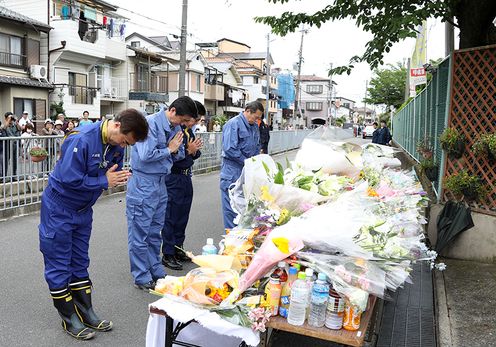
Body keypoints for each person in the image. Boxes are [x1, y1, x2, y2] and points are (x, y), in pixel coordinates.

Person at [39, 109, 148, 340]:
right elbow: (69, 178)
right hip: (60, 207)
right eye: (125, 141)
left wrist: (112, 180)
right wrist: (103, 180)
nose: (124, 147)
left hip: (83, 209)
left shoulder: (116, 147)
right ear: (117, 126)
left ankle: (86, 311)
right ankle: (69, 318)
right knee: (59, 260)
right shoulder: (82, 138)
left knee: (80, 259)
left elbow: (109, 175)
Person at [126, 96, 198, 291]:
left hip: (160, 182)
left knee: (154, 232)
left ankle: (155, 270)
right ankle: (141, 275)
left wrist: (174, 150)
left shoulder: (175, 127)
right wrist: (169, 149)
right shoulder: (149, 124)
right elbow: (145, 155)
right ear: (172, 111)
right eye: (183, 120)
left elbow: (180, 154)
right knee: (139, 233)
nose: (184, 125)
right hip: (143, 182)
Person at [161, 101, 205, 270]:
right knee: (171, 217)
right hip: (174, 177)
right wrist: (188, 151)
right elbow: (174, 158)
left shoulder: (188, 132)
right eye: (195, 119)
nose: (195, 122)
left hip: (186, 178)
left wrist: (191, 151)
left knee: (182, 217)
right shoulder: (177, 132)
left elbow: (197, 152)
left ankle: (178, 248)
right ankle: (168, 252)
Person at [220, 101, 263, 230]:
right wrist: (247, 162)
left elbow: (256, 146)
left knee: (246, 209)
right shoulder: (233, 124)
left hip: (247, 171)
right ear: (248, 111)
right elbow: (229, 149)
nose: (257, 120)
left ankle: (243, 241)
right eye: (255, 117)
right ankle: (231, 242)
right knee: (232, 210)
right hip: (232, 170)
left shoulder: (254, 126)